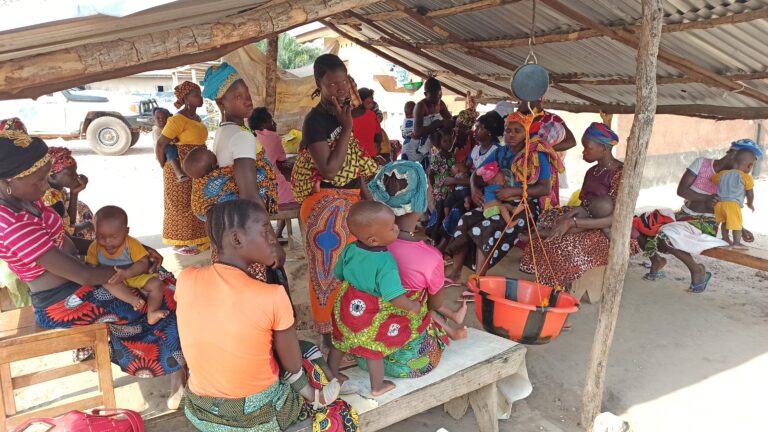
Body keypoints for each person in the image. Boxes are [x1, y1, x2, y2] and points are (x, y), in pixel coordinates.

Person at [0, 119, 185, 407]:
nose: (43, 185)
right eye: (36, 180)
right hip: (62, 304)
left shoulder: (26, 200)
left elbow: (69, 242)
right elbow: (86, 274)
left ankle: (177, 364)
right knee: (157, 300)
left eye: (45, 176)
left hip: (77, 282)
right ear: (5, 184)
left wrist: (135, 251)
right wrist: (133, 267)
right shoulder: (11, 224)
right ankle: (177, 370)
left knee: (163, 282)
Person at [176, 200, 358, 431]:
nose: (273, 237)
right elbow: (291, 364)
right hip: (258, 416)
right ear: (237, 240)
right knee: (306, 351)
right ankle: (318, 393)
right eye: (265, 230)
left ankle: (326, 386)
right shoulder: (271, 295)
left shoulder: (186, 279)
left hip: (202, 412)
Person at [291, 54, 378, 348]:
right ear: (320, 84)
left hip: (351, 202)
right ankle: (327, 340)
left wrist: (370, 201)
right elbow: (329, 168)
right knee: (326, 276)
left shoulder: (345, 112)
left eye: (343, 81)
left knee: (351, 272)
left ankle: (349, 333)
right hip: (324, 205)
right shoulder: (315, 121)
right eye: (332, 84)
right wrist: (346, 127)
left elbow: (353, 167)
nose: (340, 88)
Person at [364, 161, 461, 377]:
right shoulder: (431, 258)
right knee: (430, 315)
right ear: (421, 202)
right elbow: (434, 304)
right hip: (409, 362)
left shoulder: (362, 245)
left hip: (366, 352)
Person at [520, 122, 639, 288]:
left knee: (562, 244)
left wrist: (572, 222)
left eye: (587, 147)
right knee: (549, 219)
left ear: (604, 149)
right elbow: (584, 204)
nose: (583, 152)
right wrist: (568, 216)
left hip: (608, 229)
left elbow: (616, 218)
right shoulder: (592, 172)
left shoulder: (621, 174)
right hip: (587, 216)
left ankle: (558, 287)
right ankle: (547, 283)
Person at [637, 138, 760, 291]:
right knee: (639, 224)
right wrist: (706, 198)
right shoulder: (702, 163)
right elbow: (681, 191)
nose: (748, 169)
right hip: (683, 215)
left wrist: (741, 228)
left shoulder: (737, 179)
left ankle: (697, 270)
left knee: (665, 237)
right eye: (748, 163)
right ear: (734, 154)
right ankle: (656, 260)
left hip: (706, 223)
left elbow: (730, 208)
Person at [201, 62, 285, 285]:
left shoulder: (222, 132)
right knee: (255, 288)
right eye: (238, 96)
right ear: (222, 102)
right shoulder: (242, 136)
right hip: (247, 231)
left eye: (246, 92)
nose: (247, 99)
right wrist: (272, 242)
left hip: (229, 230)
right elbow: (249, 193)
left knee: (234, 286)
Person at [444, 112, 554, 281]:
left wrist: (515, 192)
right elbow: (476, 174)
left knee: (484, 228)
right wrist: (474, 189)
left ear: (527, 133)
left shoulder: (535, 155)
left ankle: (479, 281)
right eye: (508, 130)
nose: (511, 134)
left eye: (517, 131)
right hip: (496, 201)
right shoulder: (500, 153)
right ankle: (455, 272)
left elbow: (545, 188)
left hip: (524, 206)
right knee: (466, 219)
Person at [328, 201, 421, 396]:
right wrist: (412, 306)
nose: (397, 228)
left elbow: (339, 274)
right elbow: (395, 297)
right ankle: (377, 386)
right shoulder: (386, 262)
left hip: (347, 305)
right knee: (374, 350)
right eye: (391, 228)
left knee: (340, 341)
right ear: (373, 240)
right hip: (370, 313)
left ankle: (332, 373)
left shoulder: (350, 248)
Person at [86, 206, 169, 324]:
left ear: (126, 231)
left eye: (114, 237)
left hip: (133, 275)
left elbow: (143, 262)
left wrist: (126, 273)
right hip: (113, 279)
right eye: (101, 236)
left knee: (156, 284)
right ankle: (133, 300)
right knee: (107, 283)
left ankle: (152, 313)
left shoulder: (131, 243)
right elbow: (91, 266)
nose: (107, 241)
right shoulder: (94, 247)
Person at [155, 81, 209, 255]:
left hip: (197, 165)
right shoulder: (177, 119)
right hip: (181, 167)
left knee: (196, 201)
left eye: (200, 94)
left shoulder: (197, 118)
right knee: (181, 205)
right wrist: (164, 165)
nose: (201, 98)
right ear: (186, 98)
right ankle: (179, 244)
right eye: (196, 95)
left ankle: (197, 239)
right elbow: (161, 144)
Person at [248, 107, 297, 238]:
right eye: (271, 120)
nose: (274, 123)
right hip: (274, 194)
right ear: (263, 123)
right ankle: (278, 232)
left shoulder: (248, 137)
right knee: (297, 191)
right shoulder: (273, 137)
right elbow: (282, 160)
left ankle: (275, 234)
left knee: (283, 185)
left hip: (254, 195)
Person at [42, 146, 94, 240]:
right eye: (71, 173)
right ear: (51, 176)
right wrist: (87, 224)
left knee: (82, 208)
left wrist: (74, 193)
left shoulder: (58, 190)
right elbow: (66, 232)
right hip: (60, 242)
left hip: (63, 234)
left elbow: (70, 222)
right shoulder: (50, 198)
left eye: (76, 171)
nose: (76, 176)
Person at [712, 149, 757, 249]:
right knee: (737, 224)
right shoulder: (746, 177)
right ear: (749, 166)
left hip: (719, 204)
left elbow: (713, 179)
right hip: (733, 204)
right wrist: (750, 204)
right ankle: (737, 243)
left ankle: (725, 238)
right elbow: (750, 194)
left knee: (725, 222)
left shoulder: (722, 174)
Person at [408, 77, 453, 171]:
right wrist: (438, 123)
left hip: (432, 146)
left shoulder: (441, 103)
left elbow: (449, 120)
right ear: (425, 94)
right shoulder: (420, 106)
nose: (436, 100)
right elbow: (417, 132)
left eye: (439, 96)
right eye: (432, 97)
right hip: (417, 147)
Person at [153, 107, 186, 182]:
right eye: (158, 118)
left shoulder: (172, 127)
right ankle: (179, 173)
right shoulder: (156, 129)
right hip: (163, 152)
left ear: (170, 118)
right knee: (170, 148)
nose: (161, 120)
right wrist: (173, 140)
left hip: (173, 152)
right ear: (154, 119)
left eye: (164, 118)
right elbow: (160, 144)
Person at [352, 87, 383, 159]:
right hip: (369, 156)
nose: (371, 105)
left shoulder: (346, 117)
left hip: (353, 158)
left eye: (372, 103)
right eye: (368, 103)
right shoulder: (372, 115)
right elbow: (379, 138)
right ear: (360, 102)